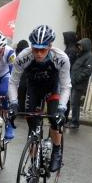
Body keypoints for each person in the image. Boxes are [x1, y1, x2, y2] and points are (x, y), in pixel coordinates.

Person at [9, 25, 70, 172]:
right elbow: (13, 82)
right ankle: (34, 164)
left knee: (55, 119)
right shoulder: (23, 57)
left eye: (42, 50)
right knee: (33, 128)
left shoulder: (61, 58)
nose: (38, 53)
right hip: (34, 89)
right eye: (35, 49)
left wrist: (62, 108)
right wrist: (14, 104)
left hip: (52, 89)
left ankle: (57, 151)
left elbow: (66, 86)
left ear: (50, 46)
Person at [67, 38, 92, 128]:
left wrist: (76, 79)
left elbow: (87, 71)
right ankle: (73, 121)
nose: (80, 47)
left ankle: (75, 122)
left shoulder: (89, 56)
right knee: (73, 103)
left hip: (79, 85)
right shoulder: (81, 55)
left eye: (81, 45)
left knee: (75, 103)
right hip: (74, 83)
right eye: (79, 45)